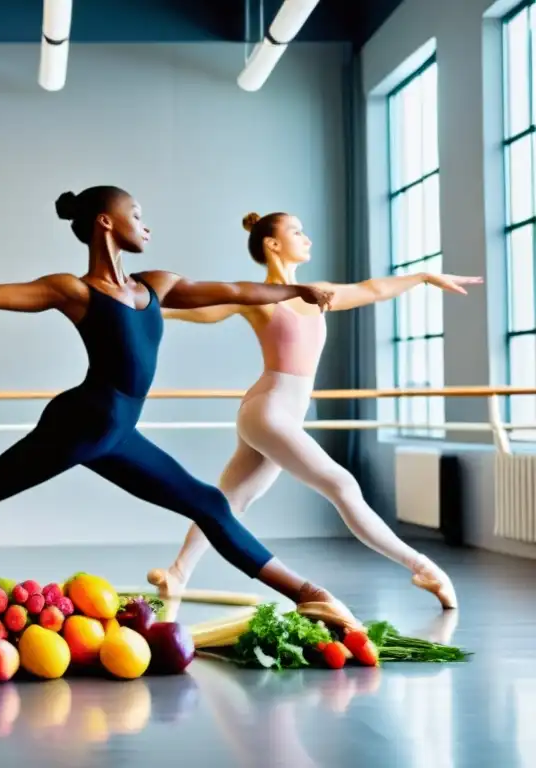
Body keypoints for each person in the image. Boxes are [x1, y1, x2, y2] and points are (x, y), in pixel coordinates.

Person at [0, 185, 363, 631]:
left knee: (208, 503)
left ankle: (308, 596)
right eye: (136, 215)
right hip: (79, 423)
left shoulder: (154, 284)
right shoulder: (73, 290)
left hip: (117, 432)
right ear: (105, 222)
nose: (146, 226)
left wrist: (294, 288)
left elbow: (231, 288)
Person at [146, 211, 483, 610]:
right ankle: (423, 567)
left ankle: (177, 573)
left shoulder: (317, 293)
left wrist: (423, 277)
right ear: (272, 244)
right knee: (342, 486)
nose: (307, 238)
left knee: (228, 501)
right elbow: (193, 311)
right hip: (266, 411)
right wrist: (135, 305)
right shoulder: (256, 297)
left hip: (280, 415)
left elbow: (372, 289)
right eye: (296, 232)